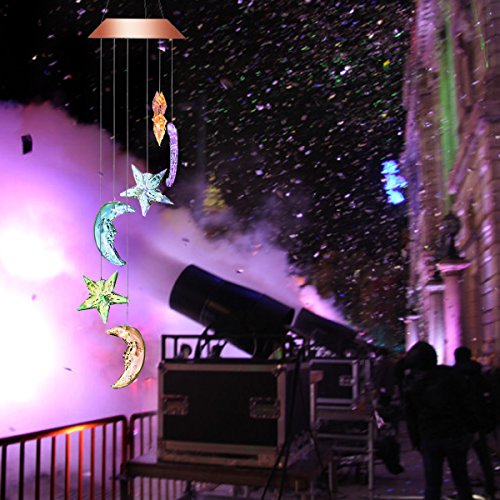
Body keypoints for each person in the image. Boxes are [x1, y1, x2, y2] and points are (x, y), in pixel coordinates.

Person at [402, 341, 478, 500]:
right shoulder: (450, 375)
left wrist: (415, 439)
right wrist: (472, 428)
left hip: (430, 434)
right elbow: (465, 403)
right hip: (454, 432)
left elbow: (410, 414)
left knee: (432, 483)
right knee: (461, 479)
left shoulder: (413, 383)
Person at [454, 346, 497, 499]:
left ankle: (463, 491)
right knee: (484, 456)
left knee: (460, 460)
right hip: (480, 420)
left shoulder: (455, 376)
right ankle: (490, 487)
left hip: (461, 422)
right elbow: (489, 397)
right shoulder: (479, 375)